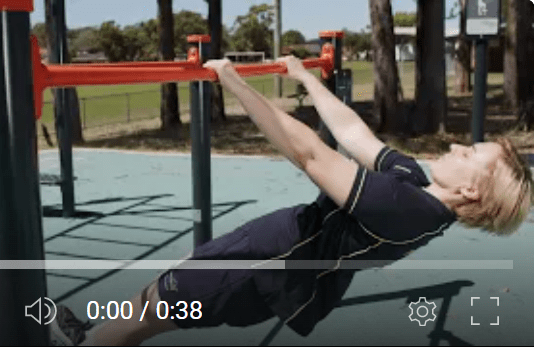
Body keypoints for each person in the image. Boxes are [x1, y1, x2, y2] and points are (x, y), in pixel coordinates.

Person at [50, 56, 533, 346]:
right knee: (155, 302)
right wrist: (307, 79)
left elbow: (309, 153)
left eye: (469, 153)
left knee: (157, 305)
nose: (455, 146)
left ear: (471, 190)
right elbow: (351, 132)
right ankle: (95, 333)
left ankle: (89, 342)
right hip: (268, 254)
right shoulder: (418, 188)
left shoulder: (403, 209)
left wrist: (235, 82)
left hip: (260, 271)